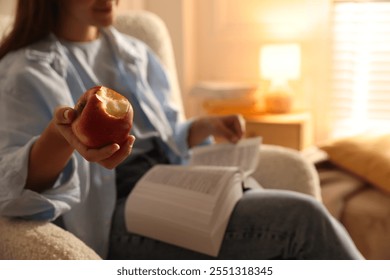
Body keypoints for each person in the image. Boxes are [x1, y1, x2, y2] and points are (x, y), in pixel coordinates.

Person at [0, 0, 363, 260]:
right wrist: (59, 138)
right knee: (301, 219)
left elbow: (161, 135)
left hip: (171, 184)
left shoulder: (135, 53)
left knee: (281, 212)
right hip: (120, 210)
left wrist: (197, 128)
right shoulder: (25, 71)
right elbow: (13, 187)